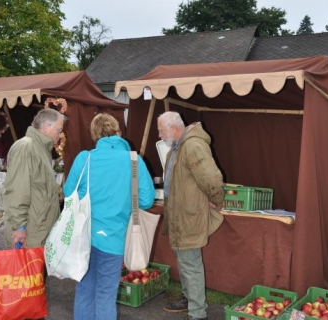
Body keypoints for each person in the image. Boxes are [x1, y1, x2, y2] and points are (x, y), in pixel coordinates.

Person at [63, 113, 155, 320]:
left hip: (84, 236)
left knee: (84, 291)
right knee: (106, 295)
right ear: (118, 132)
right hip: (114, 237)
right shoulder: (134, 161)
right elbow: (147, 200)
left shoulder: (84, 158)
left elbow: (69, 193)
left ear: (95, 135)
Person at [157, 111, 225, 320]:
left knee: (190, 263)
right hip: (180, 215)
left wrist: (217, 199)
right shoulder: (177, 148)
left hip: (189, 215)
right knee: (184, 260)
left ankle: (197, 312)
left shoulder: (193, 145)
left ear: (173, 127)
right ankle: (189, 299)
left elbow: (211, 178)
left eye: (160, 130)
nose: (159, 135)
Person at [3, 108, 66, 249]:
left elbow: (40, 185)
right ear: (46, 127)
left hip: (39, 232)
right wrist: (19, 226)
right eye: (59, 130)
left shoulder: (40, 149)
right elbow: (17, 190)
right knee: (24, 271)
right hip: (30, 235)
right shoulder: (26, 148)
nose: (60, 134)